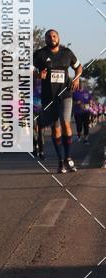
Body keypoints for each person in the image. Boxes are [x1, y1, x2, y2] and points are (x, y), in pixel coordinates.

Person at [33, 29, 83, 173]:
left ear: (59, 38)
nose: (52, 38)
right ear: (45, 39)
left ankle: (68, 158)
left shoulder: (67, 53)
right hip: (49, 97)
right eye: (49, 36)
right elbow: (27, 69)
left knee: (66, 123)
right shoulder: (40, 54)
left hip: (65, 94)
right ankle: (61, 161)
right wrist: (37, 74)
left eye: (54, 36)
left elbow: (78, 66)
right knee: (55, 129)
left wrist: (77, 77)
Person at [32, 76, 44, 159]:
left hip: (41, 110)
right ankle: (35, 146)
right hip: (31, 111)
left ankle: (41, 151)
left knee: (40, 131)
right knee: (32, 130)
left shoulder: (42, 84)